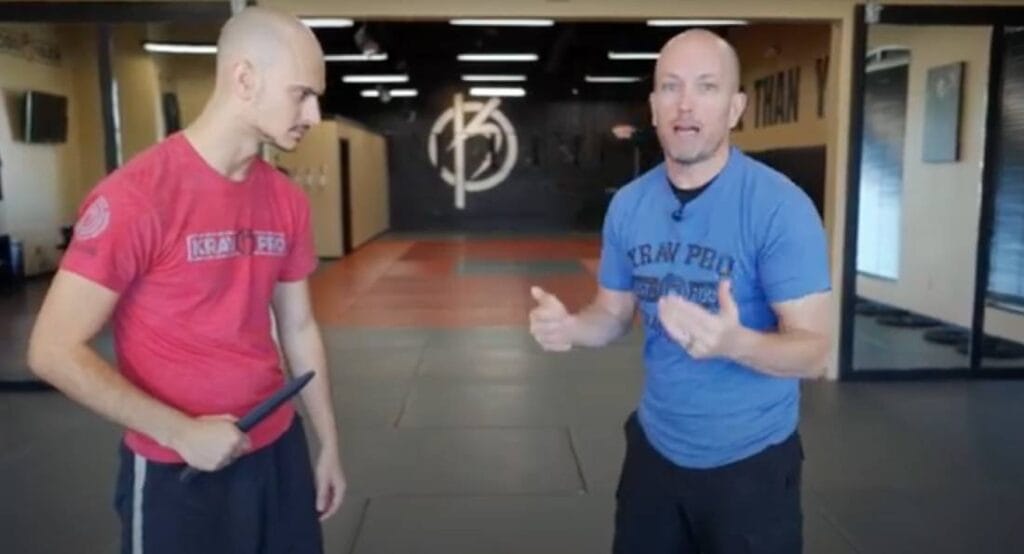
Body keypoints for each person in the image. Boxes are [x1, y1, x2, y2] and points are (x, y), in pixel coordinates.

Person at [27, 7, 344, 554]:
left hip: (278, 452)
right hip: (179, 469)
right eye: (301, 95)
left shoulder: (286, 199)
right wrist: (181, 433)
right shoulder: (137, 197)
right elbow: (51, 350)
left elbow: (298, 327)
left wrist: (328, 443)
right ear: (244, 79)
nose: (313, 115)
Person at [529, 29, 832, 553]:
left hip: (751, 464)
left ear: (735, 108)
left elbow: (816, 353)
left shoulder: (780, 207)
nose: (685, 104)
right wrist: (571, 327)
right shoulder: (629, 205)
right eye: (671, 87)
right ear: (653, 106)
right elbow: (613, 314)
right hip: (655, 454)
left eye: (706, 87)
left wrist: (734, 343)